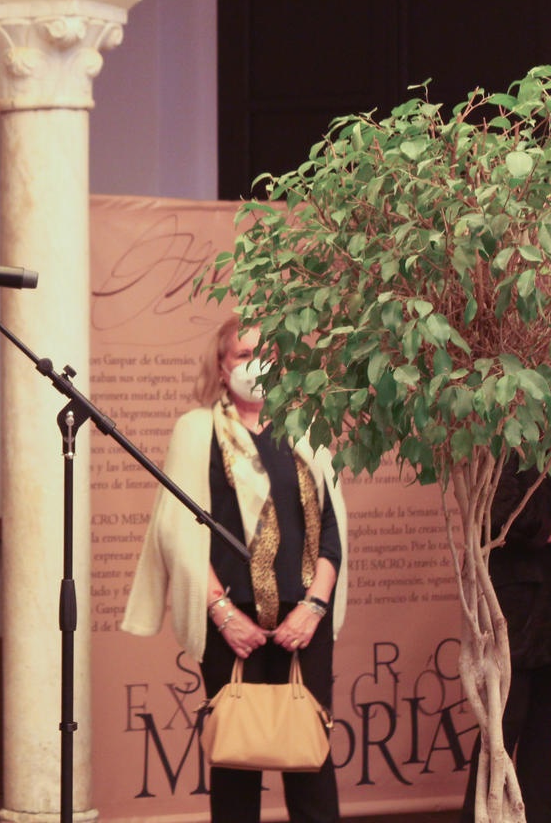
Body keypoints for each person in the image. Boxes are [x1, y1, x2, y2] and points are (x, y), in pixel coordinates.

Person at [121, 315, 348, 823]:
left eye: (268, 355)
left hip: (303, 622)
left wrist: (313, 607)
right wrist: (222, 612)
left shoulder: (307, 429)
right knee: (234, 765)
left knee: (311, 762)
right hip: (229, 620)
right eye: (245, 355)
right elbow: (179, 532)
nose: (257, 365)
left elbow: (333, 530)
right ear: (222, 368)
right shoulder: (195, 430)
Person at [459, 459, 551, 823]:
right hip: (515, 607)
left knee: (544, 727)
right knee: (503, 726)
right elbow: (501, 514)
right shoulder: (508, 444)